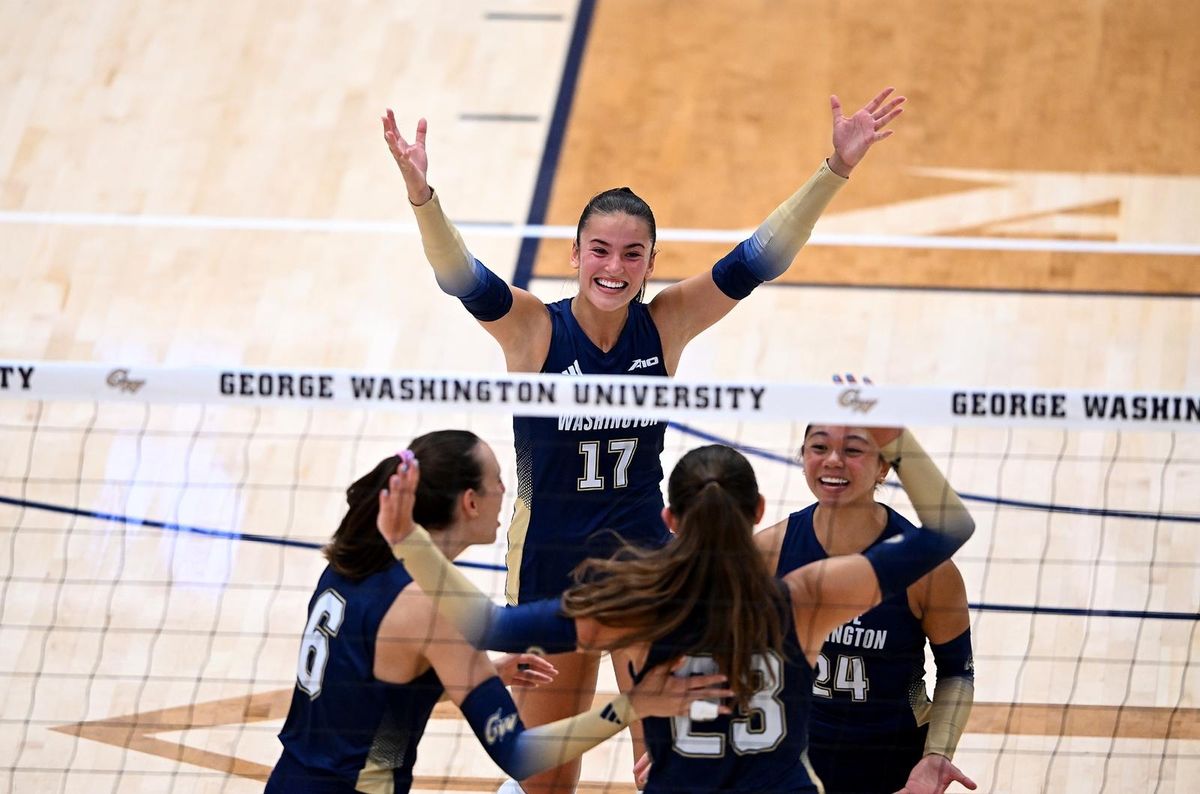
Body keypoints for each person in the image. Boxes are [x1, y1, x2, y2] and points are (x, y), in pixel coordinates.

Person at [382, 87, 905, 793]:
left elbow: (755, 261)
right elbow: (460, 278)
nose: (615, 267)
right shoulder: (535, 328)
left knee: (663, 766)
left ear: (649, 264)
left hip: (650, 574)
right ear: (575, 255)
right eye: (600, 250)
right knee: (548, 775)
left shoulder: (663, 326)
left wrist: (834, 169)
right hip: (551, 574)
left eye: (633, 255)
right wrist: (423, 195)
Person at [378, 427, 975, 792]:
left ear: (668, 520)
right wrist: (894, 433)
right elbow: (949, 529)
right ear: (759, 509)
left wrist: (409, 541)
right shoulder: (809, 596)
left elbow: (490, 624)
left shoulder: (635, 606)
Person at [265, 430, 730, 793]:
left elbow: (369, 684)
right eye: (496, 481)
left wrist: (484, 671)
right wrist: (632, 706)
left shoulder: (354, 559)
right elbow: (519, 754)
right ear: (470, 502)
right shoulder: (427, 607)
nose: (507, 489)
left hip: (290, 780)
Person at [754, 425, 978, 794]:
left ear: (884, 467)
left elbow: (957, 672)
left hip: (893, 767)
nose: (833, 460)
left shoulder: (929, 570)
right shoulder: (768, 552)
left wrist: (937, 754)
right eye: (819, 446)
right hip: (792, 763)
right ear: (803, 456)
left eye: (854, 450)